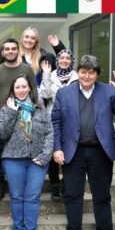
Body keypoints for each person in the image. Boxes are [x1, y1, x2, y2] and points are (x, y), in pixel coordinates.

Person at [52, 55, 115, 230]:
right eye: (83, 71)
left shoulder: (109, 91)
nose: (86, 76)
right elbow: (56, 122)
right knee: (72, 195)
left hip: (101, 152)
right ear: (77, 72)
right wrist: (57, 148)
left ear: (97, 74)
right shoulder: (64, 93)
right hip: (73, 151)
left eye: (91, 72)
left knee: (102, 195)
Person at [0, 74, 53, 230]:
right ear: (13, 89)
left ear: (30, 88)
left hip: (36, 161)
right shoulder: (6, 109)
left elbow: (50, 135)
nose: (21, 90)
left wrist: (44, 156)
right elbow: (1, 133)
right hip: (13, 159)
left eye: (24, 86)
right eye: (17, 87)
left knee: (32, 197)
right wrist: (13, 112)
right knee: (17, 196)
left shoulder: (41, 110)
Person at [0, 38, 36, 202]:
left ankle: (23, 184)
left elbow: (33, 90)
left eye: (13, 48)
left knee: (23, 150)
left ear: (18, 51)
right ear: (3, 52)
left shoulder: (27, 69)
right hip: (0, 115)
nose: (10, 51)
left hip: (24, 115)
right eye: (7, 49)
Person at [40, 49, 78, 202]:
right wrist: (46, 74)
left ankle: (65, 183)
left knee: (70, 152)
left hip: (72, 121)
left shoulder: (77, 77)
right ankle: (55, 184)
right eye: (61, 58)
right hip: (53, 120)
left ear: (72, 61)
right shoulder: (52, 75)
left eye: (68, 58)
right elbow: (47, 94)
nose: (64, 60)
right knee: (52, 153)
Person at [18, 27, 66, 103]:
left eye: (32, 38)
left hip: (43, 102)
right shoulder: (14, 57)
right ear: (22, 39)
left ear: (36, 42)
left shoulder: (46, 57)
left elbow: (64, 65)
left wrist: (58, 47)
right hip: (21, 101)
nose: (29, 40)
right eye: (26, 37)